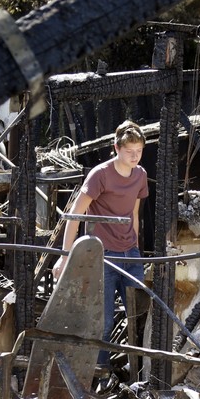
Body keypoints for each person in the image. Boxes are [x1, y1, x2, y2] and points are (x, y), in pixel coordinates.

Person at [52, 120, 149, 372]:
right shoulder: (100, 174)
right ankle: (97, 376)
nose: (134, 156)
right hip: (103, 256)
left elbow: (134, 214)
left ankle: (138, 375)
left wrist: (135, 249)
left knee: (139, 317)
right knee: (102, 322)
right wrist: (65, 256)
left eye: (139, 151)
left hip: (131, 255)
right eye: (130, 151)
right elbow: (75, 213)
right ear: (117, 148)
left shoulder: (140, 175)